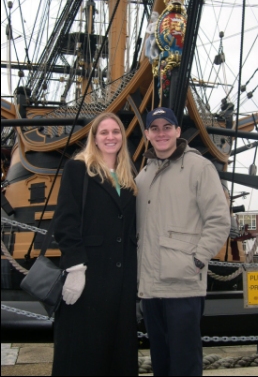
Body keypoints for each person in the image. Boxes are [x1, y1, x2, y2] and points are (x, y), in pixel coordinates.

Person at [136, 107, 231, 376]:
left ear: (178, 132)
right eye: (155, 128)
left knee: (185, 363)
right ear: (146, 134)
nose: (161, 133)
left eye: (168, 127)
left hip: (183, 284)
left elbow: (218, 219)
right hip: (151, 287)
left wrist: (198, 259)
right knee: (161, 361)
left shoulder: (199, 167)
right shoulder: (143, 176)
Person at [52, 112, 138, 376]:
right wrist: (76, 268)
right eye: (104, 132)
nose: (110, 137)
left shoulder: (128, 176)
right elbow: (65, 221)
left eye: (115, 132)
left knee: (117, 352)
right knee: (83, 352)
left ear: (122, 138)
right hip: (90, 276)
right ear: (95, 138)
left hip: (121, 281)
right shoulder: (78, 168)